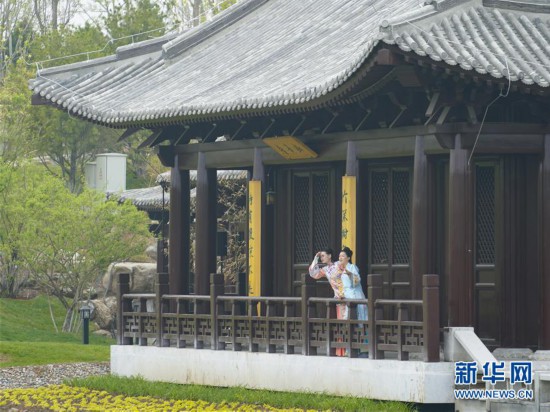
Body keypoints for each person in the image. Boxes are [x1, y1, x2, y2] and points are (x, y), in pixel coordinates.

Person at [309, 247, 347, 356]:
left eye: (323, 256)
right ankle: (342, 350)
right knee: (341, 323)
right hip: (338, 299)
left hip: (347, 296)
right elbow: (313, 274)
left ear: (330, 256)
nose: (322, 258)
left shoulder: (339, 264)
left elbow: (349, 275)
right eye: (321, 256)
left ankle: (352, 349)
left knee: (349, 322)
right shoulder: (325, 270)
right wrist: (315, 258)